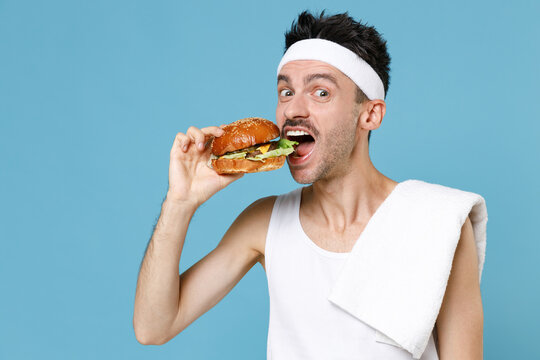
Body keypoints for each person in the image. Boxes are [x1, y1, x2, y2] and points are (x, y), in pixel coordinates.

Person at [133, 10, 483, 359]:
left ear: (370, 114)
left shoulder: (438, 223)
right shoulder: (264, 223)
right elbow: (153, 327)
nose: (293, 110)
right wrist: (179, 202)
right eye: (286, 91)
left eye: (320, 92)